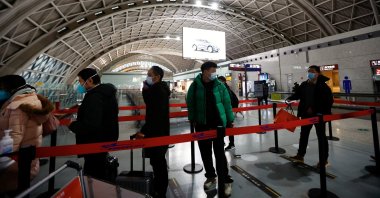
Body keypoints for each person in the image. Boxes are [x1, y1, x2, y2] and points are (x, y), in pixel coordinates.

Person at [186, 62, 234, 197]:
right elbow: (190, 103)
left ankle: (225, 181)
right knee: (205, 153)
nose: (214, 73)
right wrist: (192, 117)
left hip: (218, 125)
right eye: (212, 71)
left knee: (219, 153)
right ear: (205, 71)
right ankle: (211, 177)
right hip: (202, 125)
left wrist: (230, 120)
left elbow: (227, 103)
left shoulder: (220, 85)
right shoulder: (195, 86)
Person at [0, 75, 54, 194]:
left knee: (15, 189)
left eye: (2, 88)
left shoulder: (18, 105)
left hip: (17, 159)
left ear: (11, 88)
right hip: (28, 154)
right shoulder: (31, 98)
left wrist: (3, 155)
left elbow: (15, 136)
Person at [69, 68, 119, 181]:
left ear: (90, 80)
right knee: (100, 169)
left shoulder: (94, 97)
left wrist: (73, 125)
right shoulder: (107, 94)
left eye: (81, 81)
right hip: (105, 139)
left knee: (93, 174)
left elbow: (91, 125)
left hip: (95, 142)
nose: (80, 84)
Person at [286, 65, 333, 167]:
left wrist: (319, 112)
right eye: (309, 71)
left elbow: (328, 102)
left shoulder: (324, 87)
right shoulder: (304, 84)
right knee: (303, 135)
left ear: (318, 73)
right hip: (306, 115)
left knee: (321, 138)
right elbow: (298, 95)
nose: (310, 73)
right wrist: (290, 97)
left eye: (312, 71)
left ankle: (324, 160)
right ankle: (300, 156)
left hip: (319, 116)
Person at [134, 66, 170, 198]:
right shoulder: (158, 89)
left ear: (157, 77)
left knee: (158, 163)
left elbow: (155, 114)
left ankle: (161, 191)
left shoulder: (158, 91)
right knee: (157, 162)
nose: (147, 77)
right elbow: (150, 105)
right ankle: (159, 187)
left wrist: (145, 131)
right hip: (158, 131)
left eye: (149, 74)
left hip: (157, 133)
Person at [217, 76, 238, 151]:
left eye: (220, 81)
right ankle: (223, 143)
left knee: (228, 128)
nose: (218, 82)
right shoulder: (226, 88)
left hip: (227, 112)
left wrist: (232, 109)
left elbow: (233, 100)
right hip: (225, 112)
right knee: (223, 128)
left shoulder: (225, 89)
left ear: (224, 81)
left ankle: (231, 144)